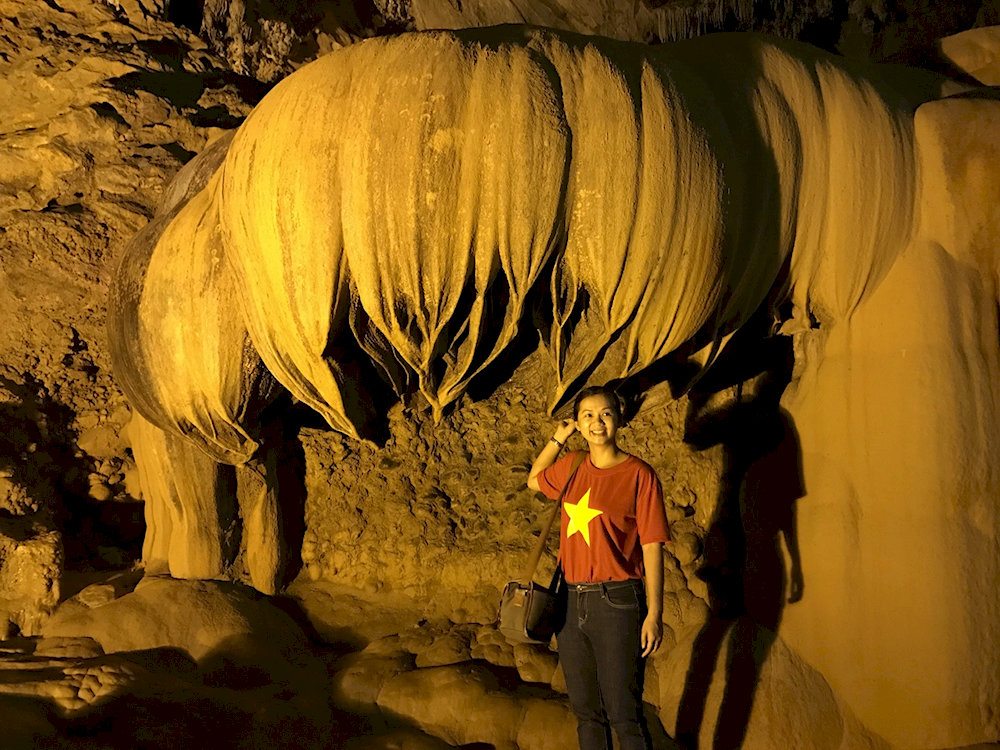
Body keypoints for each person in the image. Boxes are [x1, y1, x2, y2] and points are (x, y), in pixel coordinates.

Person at [527, 385, 670, 750]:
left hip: (617, 601)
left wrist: (654, 612)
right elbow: (533, 479)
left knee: (624, 712)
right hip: (570, 603)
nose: (597, 422)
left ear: (618, 418)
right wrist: (557, 439)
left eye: (605, 413)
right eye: (587, 415)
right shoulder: (572, 465)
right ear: (578, 422)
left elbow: (652, 545)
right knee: (586, 713)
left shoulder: (639, 474)